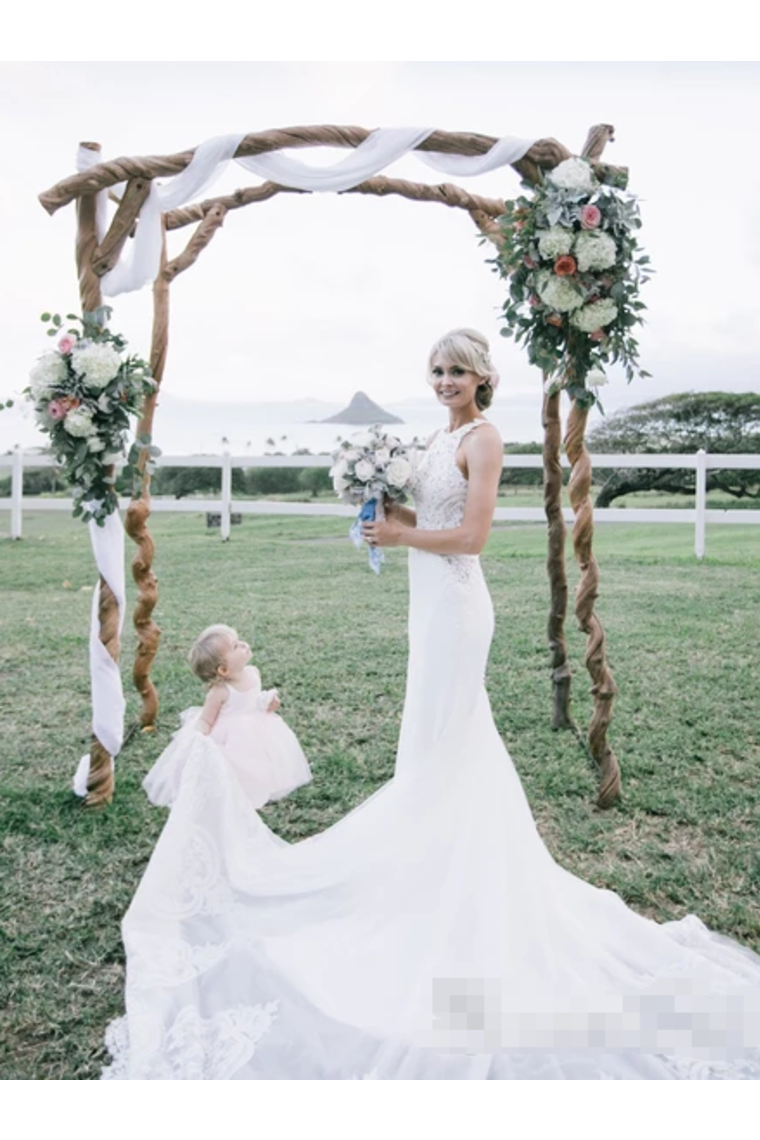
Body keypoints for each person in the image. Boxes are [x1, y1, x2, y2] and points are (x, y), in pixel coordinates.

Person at [103, 330, 760, 1081]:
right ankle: (424, 866)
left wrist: (400, 533)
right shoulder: (435, 433)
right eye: (438, 370)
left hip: (455, 606)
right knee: (433, 741)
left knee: (451, 740)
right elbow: (424, 520)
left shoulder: (483, 439)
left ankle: (454, 875)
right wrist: (377, 501)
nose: (446, 380)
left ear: (484, 377)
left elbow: (473, 538)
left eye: (459, 371)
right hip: (426, 606)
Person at [142, 624, 312, 810]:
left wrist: (268, 702)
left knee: (259, 760)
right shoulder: (220, 692)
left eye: (239, 641)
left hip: (257, 728)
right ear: (223, 670)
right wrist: (199, 738)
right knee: (235, 764)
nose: (243, 644)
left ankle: (261, 784)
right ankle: (234, 791)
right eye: (235, 646)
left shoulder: (253, 672)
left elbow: (254, 700)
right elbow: (206, 720)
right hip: (230, 736)